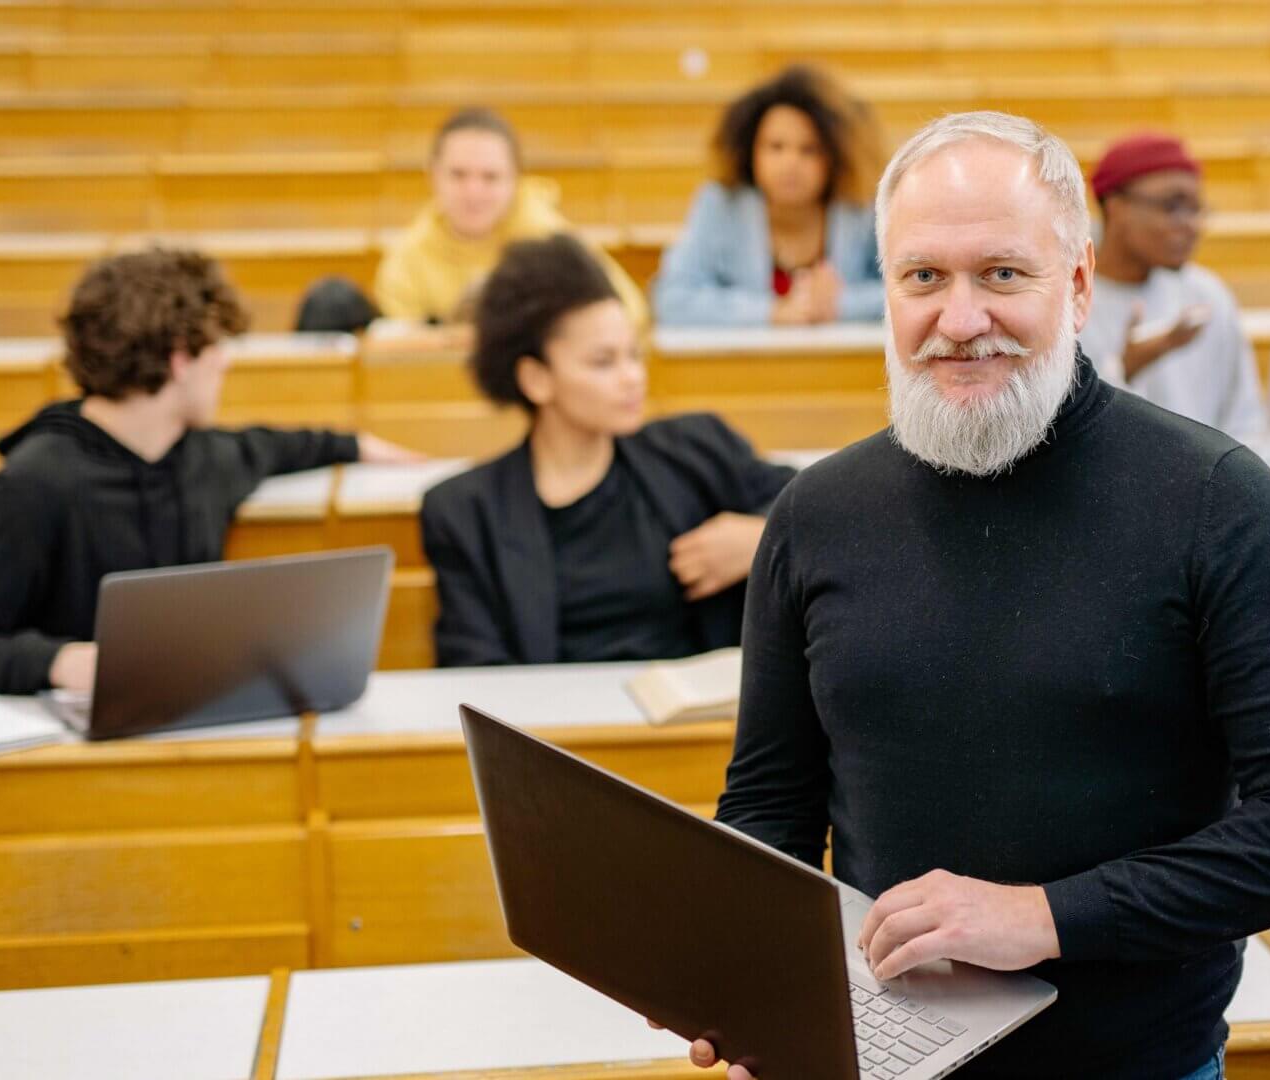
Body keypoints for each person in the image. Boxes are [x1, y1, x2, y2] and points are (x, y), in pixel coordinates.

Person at [678, 113, 1270, 1079]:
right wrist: (743, 982)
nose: (960, 320)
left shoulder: (1217, 500)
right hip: (877, 1063)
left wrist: (1044, 917)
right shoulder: (815, 515)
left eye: (1002, 274)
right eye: (923, 277)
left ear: (1081, 285)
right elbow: (769, 807)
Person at [0, 248, 422, 696]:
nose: (227, 364)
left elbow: (278, 446)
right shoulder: (32, 487)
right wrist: (60, 661)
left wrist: (358, 444)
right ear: (181, 359)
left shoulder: (203, 457)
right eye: (218, 348)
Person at [420, 234, 796, 666]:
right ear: (535, 379)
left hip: (698, 727)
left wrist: (759, 540)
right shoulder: (466, 513)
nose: (632, 377)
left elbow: (818, 513)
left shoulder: (695, 449)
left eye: (634, 356)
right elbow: (473, 670)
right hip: (551, 728)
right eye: (603, 362)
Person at [369, 106, 647, 328]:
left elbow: (627, 310)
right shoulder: (407, 258)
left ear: (515, 180)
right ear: (432, 175)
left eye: (490, 177)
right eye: (458, 175)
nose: (473, 192)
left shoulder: (548, 240)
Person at [651, 65, 884, 327]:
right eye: (776, 147)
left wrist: (839, 306)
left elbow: (906, 292)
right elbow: (671, 300)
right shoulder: (718, 204)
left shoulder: (861, 209)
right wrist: (771, 312)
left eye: (809, 150)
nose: (790, 162)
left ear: (834, 159)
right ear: (751, 152)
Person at [1077, 133, 1265, 440]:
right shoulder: (1067, 298)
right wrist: (1125, 369)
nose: (1190, 225)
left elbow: (1244, 417)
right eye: (1172, 207)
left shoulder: (1207, 295)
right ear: (1115, 207)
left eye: (1196, 209)